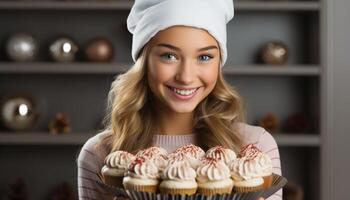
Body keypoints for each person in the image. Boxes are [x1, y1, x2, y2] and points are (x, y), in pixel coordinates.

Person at [77, 0, 282, 199]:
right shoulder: (99, 154)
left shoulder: (255, 148)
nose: (185, 77)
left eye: (204, 57)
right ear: (144, 61)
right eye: (169, 56)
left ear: (219, 63)